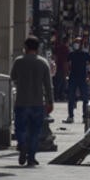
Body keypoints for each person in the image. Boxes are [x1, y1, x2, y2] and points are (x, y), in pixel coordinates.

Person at [10, 36, 53, 167]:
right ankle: (31, 157)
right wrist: (50, 102)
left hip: (22, 101)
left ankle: (22, 146)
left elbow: (13, 77)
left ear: (26, 47)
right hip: (37, 102)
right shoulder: (43, 63)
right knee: (35, 131)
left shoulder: (18, 61)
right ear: (38, 48)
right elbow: (48, 85)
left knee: (20, 128)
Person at [64, 37, 90, 124]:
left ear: (81, 44)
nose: (76, 44)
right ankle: (70, 116)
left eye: (78, 42)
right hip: (73, 78)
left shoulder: (86, 54)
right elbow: (66, 64)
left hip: (83, 78)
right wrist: (67, 75)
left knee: (85, 98)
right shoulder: (71, 54)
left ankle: (85, 117)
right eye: (75, 42)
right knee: (71, 97)